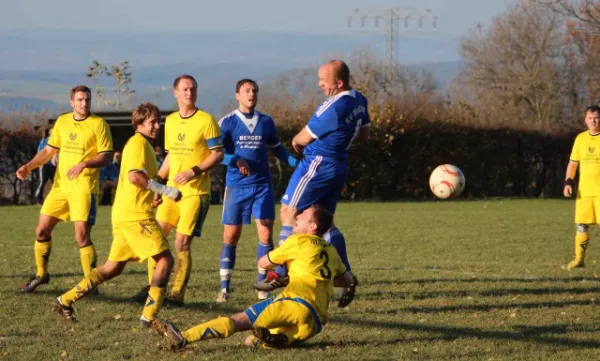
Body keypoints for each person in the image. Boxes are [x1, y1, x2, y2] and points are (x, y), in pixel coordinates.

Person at [153, 204, 357, 350]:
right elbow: (346, 281)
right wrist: (292, 278)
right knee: (252, 342)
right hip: (316, 321)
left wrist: (276, 265)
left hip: (293, 304)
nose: (299, 215)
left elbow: (264, 263)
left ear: (313, 227)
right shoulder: (331, 251)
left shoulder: (298, 241)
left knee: (240, 321)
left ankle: (184, 337)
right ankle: (276, 340)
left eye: (304, 215)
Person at [52, 102, 181, 326]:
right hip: (135, 216)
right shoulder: (138, 144)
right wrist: (166, 190)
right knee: (165, 260)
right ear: (140, 123)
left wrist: (153, 195)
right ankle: (148, 317)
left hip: (125, 213)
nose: (157, 126)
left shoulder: (144, 144)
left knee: (113, 267)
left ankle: (65, 300)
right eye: (153, 122)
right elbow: (134, 177)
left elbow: (140, 181)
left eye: (158, 121)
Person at [256, 60, 369, 300]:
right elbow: (364, 135)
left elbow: (303, 138)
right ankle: (346, 278)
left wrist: (297, 142)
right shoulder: (359, 100)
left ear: (338, 83)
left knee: (289, 212)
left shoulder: (334, 107)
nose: (319, 84)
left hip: (317, 164)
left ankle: (279, 272)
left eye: (323, 80)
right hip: (339, 166)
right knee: (323, 223)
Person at [131, 74, 224, 306]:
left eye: (192, 88)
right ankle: (154, 287)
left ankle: (177, 294)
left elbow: (218, 153)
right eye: (184, 89)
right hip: (171, 192)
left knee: (181, 243)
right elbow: (172, 155)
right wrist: (159, 183)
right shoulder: (170, 121)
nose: (189, 92)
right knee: (157, 240)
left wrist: (194, 171)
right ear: (175, 93)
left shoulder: (207, 120)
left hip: (195, 193)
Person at [16, 85, 114, 293]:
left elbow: (106, 155)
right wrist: (29, 166)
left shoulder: (99, 124)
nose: (84, 103)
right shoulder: (63, 121)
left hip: (84, 188)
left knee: (82, 237)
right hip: (60, 187)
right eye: (79, 100)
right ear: (71, 102)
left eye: (87, 99)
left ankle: (90, 284)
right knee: (41, 230)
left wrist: (85, 163)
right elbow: (49, 150)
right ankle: (42, 275)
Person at [215, 79, 297, 303]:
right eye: (246, 91)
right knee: (231, 236)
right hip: (237, 188)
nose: (251, 94)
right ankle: (225, 288)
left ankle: (263, 286)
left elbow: (278, 149)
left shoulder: (266, 121)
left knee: (266, 235)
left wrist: (297, 163)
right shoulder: (227, 122)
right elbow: (217, 154)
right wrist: (236, 159)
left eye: (254, 91)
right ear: (237, 95)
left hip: (262, 186)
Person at [564, 105, 600, 270]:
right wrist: (568, 182)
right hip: (584, 191)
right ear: (585, 120)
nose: (593, 121)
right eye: (590, 118)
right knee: (581, 225)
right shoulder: (580, 139)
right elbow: (573, 163)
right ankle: (579, 260)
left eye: (597, 117)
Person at [34, 126, 57, 205]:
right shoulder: (44, 141)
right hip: (44, 165)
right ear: (49, 132)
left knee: (56, 183)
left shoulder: (57, 140)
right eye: (52, 130)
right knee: (42, 183)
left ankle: (55, 201)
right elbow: (40, 151)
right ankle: (38, 200)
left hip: (53, 166)